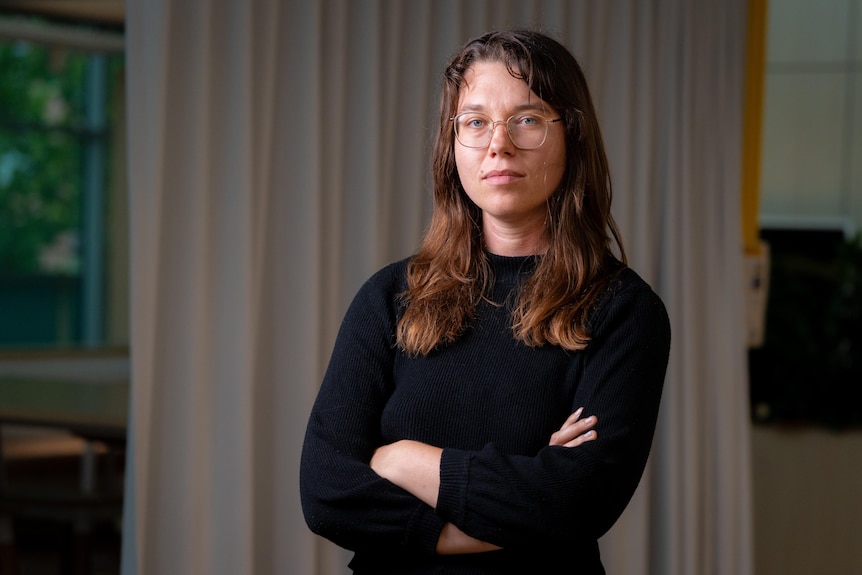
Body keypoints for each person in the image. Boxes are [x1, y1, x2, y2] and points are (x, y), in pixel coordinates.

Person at [300, 28, 671, 574]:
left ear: (571, 135)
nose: (499, 144)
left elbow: (578, 500)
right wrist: (485, 517)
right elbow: (327, 490)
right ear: (453, 147)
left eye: (526, 119)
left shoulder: (622, 310)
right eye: (475, 122)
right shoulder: (389, 297)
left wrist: (403, 459)